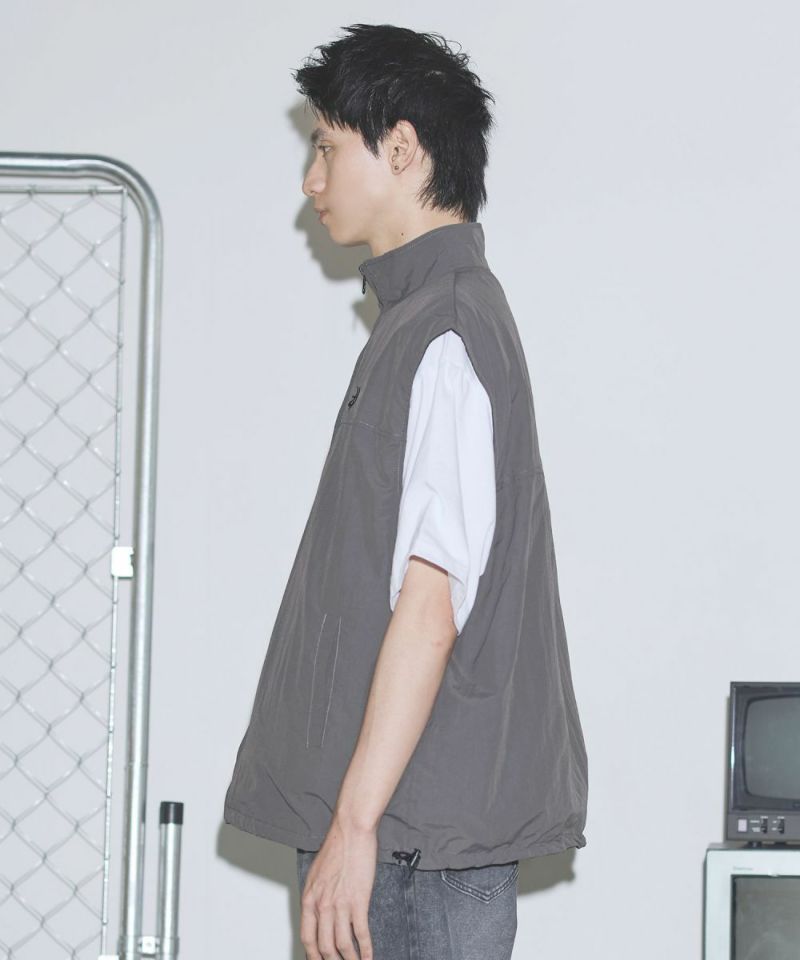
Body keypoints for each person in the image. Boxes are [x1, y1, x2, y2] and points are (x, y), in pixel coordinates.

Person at [223, 23, 588, 960]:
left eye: (326, 148)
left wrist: (354, 826)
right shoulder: (425, 321)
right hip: (406, 831)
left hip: (409, 843)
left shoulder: (447, 330)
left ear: (401, 148)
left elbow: (432, 605)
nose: (312, 181)